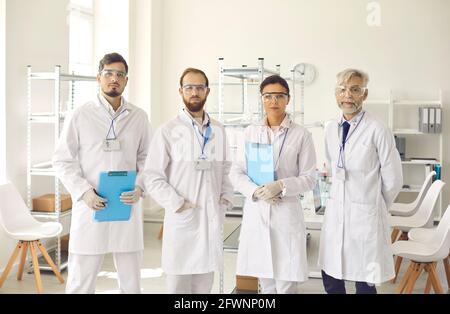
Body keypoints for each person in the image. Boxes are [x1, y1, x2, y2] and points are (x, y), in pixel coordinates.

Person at [52, 53, 152, 294]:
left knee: (131, 281)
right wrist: (84, 192)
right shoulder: (81, 114)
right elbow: (62, 159)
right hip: (92, 204)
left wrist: (140, 186)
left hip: (126, 204)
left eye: (120, 75)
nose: (114, 79)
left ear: (126, 80)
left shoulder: (139, 117)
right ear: (99, 77)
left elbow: (148, 158)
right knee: (81, 280)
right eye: (108, 73)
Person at [142, 68, 234, 294]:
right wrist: (177, 203)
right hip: (183, 218)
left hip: (210, 217)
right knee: (178, 287)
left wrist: (225, 198)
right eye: (189, 87)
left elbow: (225, 169)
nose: (195, 92)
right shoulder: (168, 130)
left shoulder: (218, 130)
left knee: (204, 286)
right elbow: (152, 176)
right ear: (180, 91)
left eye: (200, 87)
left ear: (207, 92)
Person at [318, 68, 403, 294]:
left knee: (365, 281)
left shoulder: (378, 129)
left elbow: (394, 179)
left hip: (365, 215)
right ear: (336, 94)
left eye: (355, 90)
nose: (348, 95)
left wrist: (372, 205)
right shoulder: (330, 128)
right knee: (332, 277)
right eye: (342, 90)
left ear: (364, 95)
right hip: (337, 212)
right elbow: (331, 164)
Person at [230, 75, 317, 294]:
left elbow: (309, 178)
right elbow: (236, 172)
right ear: (262, 99)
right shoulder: (250, 132)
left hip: (286, 213)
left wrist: (280, 186)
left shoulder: (301, 134)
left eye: (279, 96)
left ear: (288, 99)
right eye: (268, 96)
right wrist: (257, 191)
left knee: (286, 282)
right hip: (258, 211)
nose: (273, 101)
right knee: (266, 281)